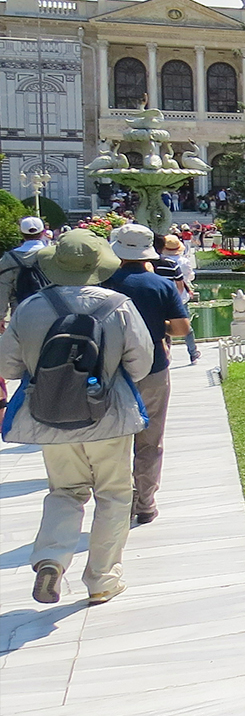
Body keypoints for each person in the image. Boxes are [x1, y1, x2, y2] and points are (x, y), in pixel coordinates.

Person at [0, 230, 154, 605]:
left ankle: (50, 558)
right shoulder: (118, 305)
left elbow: (6, 365)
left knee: (65, 491)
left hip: (50, 416)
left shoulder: (31, 307)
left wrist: (52, 381)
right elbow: (142, 363)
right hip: (109, 416)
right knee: (114, 494)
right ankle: (102, 577)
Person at [104, 223, 190, 526]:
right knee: (150, 440)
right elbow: (181, 328)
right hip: (153, 368)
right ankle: (145, 503)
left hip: (111, 371)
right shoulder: (159, 284)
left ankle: (117, 501)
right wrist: (159, 327)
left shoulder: (102, 282)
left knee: (114, 439)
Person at [0, 217, 52, 332]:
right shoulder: (52, 255)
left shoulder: (8, 259)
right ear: (43, 232)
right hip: (51, 310)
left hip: (21, 312)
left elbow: (3, 290)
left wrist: (1, 317)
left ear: (21, 234)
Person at [155, 235, 200, 363]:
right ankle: (193, 352)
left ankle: (166, 354)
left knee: (164, 327)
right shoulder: (181, 262)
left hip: (160, 300)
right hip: (178, 300)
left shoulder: (157, 263)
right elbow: (185, 281)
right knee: (186, 327)